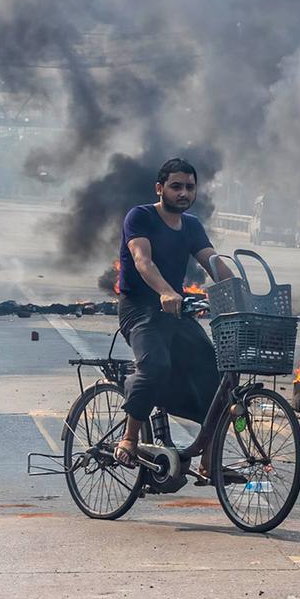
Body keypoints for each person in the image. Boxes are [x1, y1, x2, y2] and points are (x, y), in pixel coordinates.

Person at [114, 157, 228, 466]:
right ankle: (130, 438)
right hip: (139, 308)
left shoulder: (191, 225)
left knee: (216, 374)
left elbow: (213, 261)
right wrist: (165, 290)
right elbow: (142, 260)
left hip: (175, 311)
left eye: (189, 188)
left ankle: (208, 461)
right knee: (156, 367)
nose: (183, 193)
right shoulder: (140, 217)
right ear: (160, 188)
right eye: (176, 186)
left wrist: (239, 290)